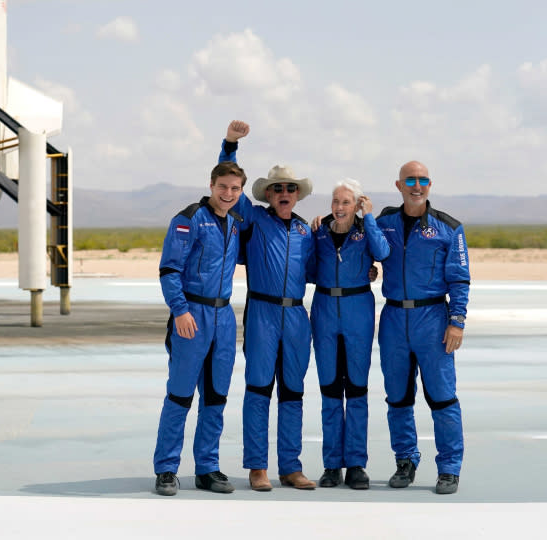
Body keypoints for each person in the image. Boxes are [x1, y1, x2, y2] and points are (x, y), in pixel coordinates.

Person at [220, 121, 318, 492]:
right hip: (262, 313)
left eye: (290, 188)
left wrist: (367, 268)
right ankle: (258, 467)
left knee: (293, 391)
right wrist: (230, 144)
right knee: (259, 389)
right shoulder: (253, 218)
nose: (284, 193)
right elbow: (229, 184)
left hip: (296, 316)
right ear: (268, 194)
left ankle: (291, 467)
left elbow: (322, 268)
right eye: (277, 188)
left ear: (297, 195)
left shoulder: (307, 231)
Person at [376, 161, 470, 495]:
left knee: (442, 397)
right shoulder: (383, 222)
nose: (417, 186)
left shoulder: (449, 228)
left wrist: (456, 322)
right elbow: (361, 245)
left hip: (432, 320)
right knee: (398, 398)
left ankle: (449, 468)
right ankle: (405, 461)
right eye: (410, 180)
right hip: (393, 320)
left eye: (423, 181)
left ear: (430, 185)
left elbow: (459, 279)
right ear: (398, 185)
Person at [153, 160, 246, 496]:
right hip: (191, 316)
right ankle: (166, 468)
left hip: (223, 320)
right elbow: (169, 269)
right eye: (223, 187)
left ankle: (207, 467)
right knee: (180, 395)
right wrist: (179, 310)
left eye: (235, 189)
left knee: (216, 397)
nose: (228, 194)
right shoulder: (189, 219)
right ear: (211, 185)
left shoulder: (236, 223)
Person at [310, 178, 389, 489]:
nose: (339, 207)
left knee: (356, 389)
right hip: (325, 310)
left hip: (358, 311)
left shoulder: (365, 231)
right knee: (330, 388)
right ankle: (332, 465)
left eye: (346, 202)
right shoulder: (319, 231)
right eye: (335, 202)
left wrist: (369, 218)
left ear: (358, 204)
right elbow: (307, 270)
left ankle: (356, 463)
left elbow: (382, 252)